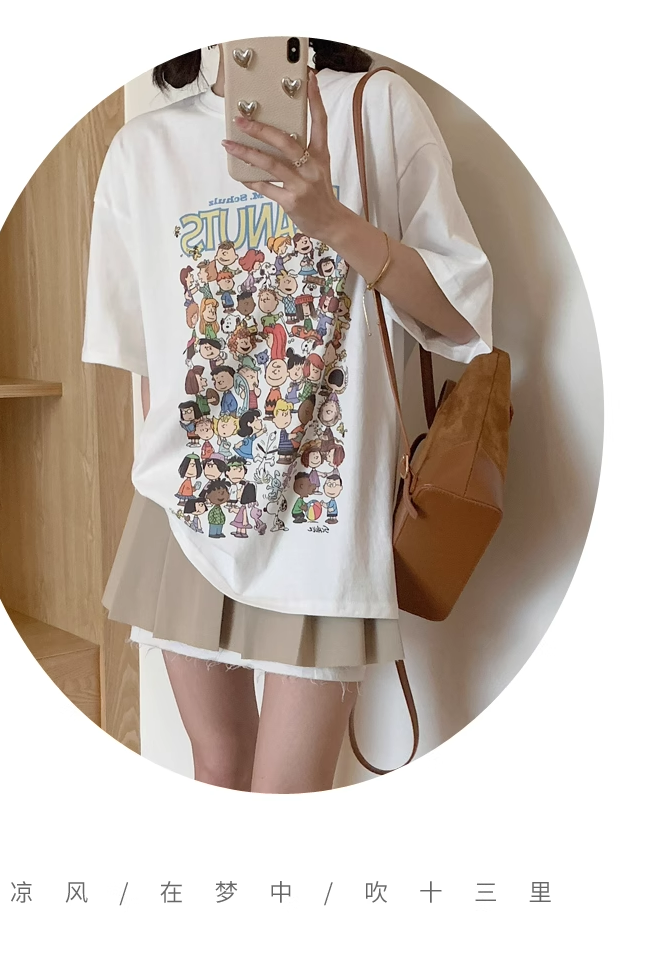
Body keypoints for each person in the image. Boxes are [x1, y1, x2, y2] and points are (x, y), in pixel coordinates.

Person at [82, 40, 493, 794]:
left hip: (323, 524)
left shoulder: (376, 108)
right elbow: (149, 365)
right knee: (214, 771)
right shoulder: (142, 149)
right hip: (188, 510)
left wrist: (331, 219)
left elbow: (462, 319)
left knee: (286, 799)